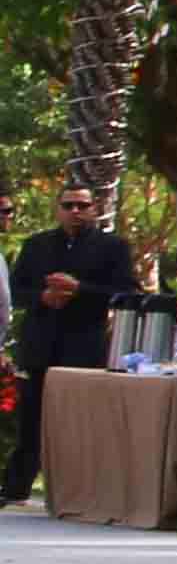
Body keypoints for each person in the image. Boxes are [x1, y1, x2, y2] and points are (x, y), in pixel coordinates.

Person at [7, 181, 141, 510]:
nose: (75, 212)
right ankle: (14, 488)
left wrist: (79, 290)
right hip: (40, 344)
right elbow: (14, 291)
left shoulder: (112, 248)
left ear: (94, 209)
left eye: (82, 205)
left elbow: (126, 292)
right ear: (58, 209)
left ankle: (83, 491)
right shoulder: (36, 245)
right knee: (32, 422)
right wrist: (43, 296)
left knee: (82, 424)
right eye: (68, 205)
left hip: (84, 347)